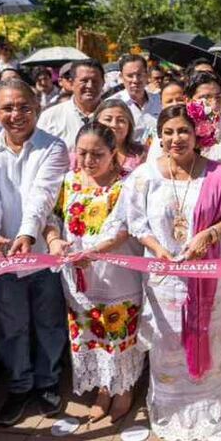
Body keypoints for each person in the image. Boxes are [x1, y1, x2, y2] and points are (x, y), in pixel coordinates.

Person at [118, 105, 221, 441]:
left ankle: (213, 405)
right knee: (168, 342)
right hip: (163, 280)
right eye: (169, 132)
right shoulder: (144, 177)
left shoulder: (220, 174)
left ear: (198, 134)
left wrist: (210, 234)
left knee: (210, 337)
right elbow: (136, 222)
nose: (176, 139)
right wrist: (157, 249)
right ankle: (172, 408)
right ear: (159, 136)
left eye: (183, 131)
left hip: (208, 278)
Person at [0, 79, 70, 427]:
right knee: (12, 327)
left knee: (49, 322)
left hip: (42, 253)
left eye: (24, 107)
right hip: (2, 259)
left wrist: (27, 233)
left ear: (36, 108)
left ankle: (47, 381)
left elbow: (43, 196)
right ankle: (19, 385)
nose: (17, 115)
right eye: (8, 108)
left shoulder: (54, 146)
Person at [44, 123, 143, 423]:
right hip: (78, 279)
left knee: (118, 333)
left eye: (97, 154)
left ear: (114, 153)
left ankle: (123, 388)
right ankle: (103, 388)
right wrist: (54, 241)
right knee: (90, 332)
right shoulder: (69, 181)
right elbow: (51, 218)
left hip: (117, 277)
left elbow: (125, 227)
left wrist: (96, 251)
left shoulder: (127, 183)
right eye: (83, 153)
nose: (88, 160)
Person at [147, 73, 221, 167]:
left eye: (218, 98)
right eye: (206, 98)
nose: (214, 104)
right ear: (188, 101)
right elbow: (153, 170)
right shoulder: (168, 134)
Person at [37, 59, 103, 150]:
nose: (90, 85)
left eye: (95, 81)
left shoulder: (115, 116)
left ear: (103, 82)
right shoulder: (50, 117)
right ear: (72, 83)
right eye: (84, 81)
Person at [92, 98, 147, 174]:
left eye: (121, 120)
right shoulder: (84, 153)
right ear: (96, 124)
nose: (114, 125)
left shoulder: (143, 154)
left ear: (129, 126)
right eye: (108, 119)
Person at [114, 54, 159, 137]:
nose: (135, 80)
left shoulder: (159, 101)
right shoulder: (113, 104)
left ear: (147, 75)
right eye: (130, 76)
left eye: (139, 75)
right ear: (121, 77)